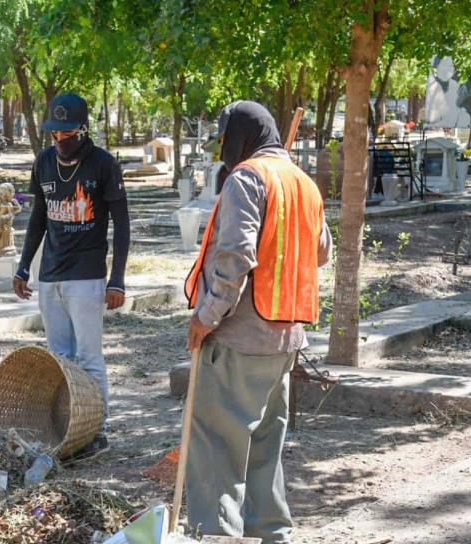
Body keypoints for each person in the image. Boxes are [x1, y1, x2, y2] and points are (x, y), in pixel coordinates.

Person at [183, 101, 331, 542]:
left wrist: (206, 316)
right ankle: (272, 534)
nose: (223, 152)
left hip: (238, 338)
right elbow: (321, 252)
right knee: (265, 448)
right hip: (284, 339)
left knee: (216, 451)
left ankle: (217, 537)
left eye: (225, 141)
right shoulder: (303, 183)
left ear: (241, 137)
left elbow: (235, 258)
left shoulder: (248, 178)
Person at [13, 93, 130, 459]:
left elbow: (123, 224)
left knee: (88, 356)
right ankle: (70, 427)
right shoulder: (44, 163)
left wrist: (117, 279)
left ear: (82, 130)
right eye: (54, 135)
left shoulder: (103, 164)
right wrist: (23, 265)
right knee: (59, 356)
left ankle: (98, 429)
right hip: (50, 275)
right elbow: (38, 220)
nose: (59, 141)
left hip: (87, 274)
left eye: (66, 134)